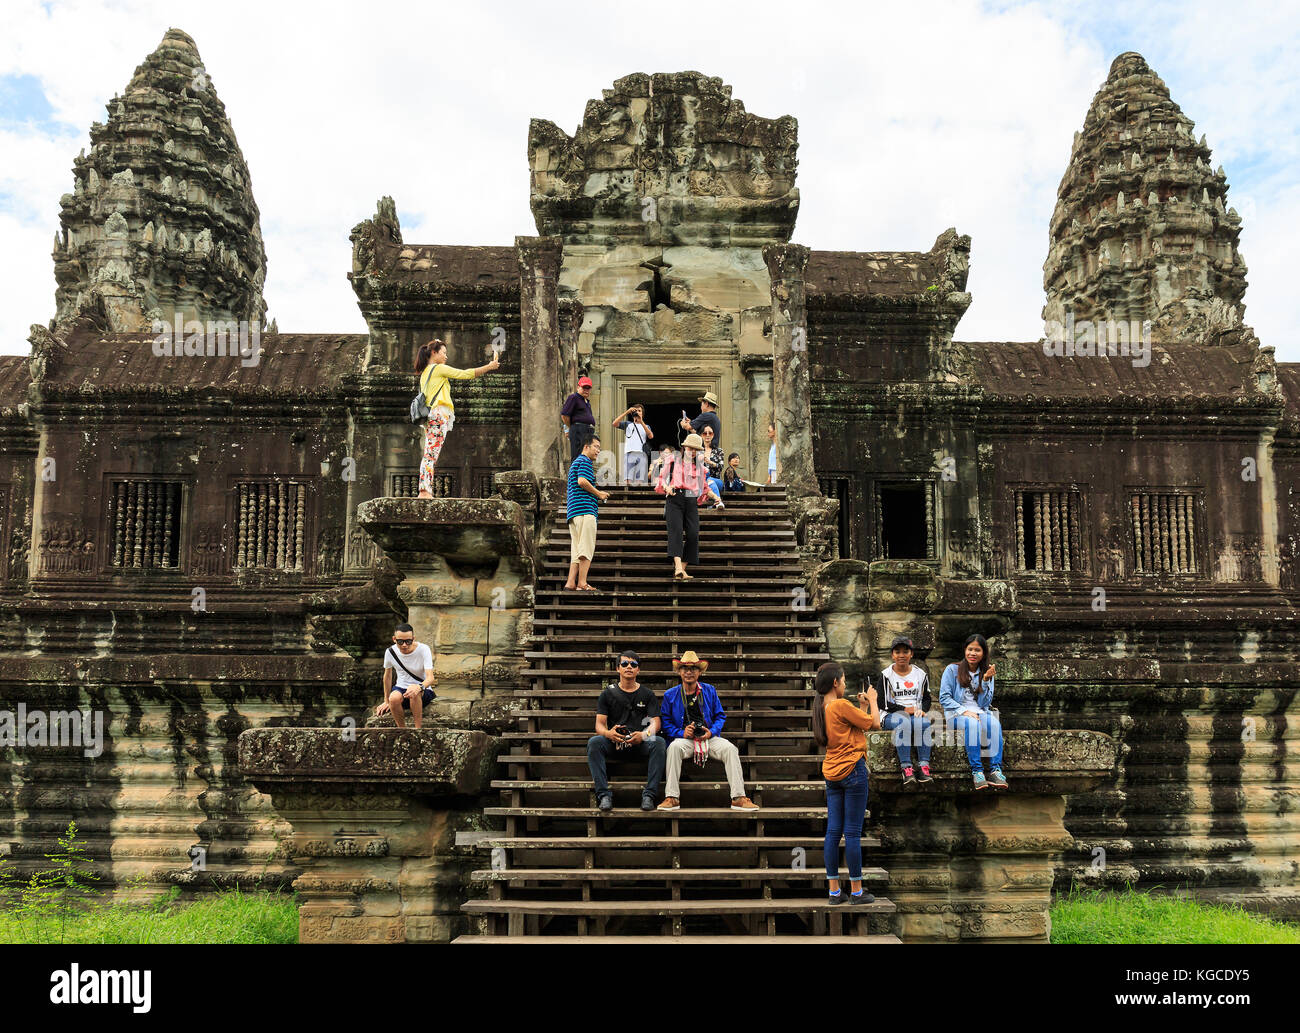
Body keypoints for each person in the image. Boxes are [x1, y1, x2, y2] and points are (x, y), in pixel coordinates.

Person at [812, 661, 880, 905]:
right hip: (853, 770)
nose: (844, 684)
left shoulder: (822, 707)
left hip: (832, 772)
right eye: (842, 680)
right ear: (835, 682)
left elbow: (852, 725)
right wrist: (872, 700)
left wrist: (861, 706)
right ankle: (857, 891)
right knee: (852, 833)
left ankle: (833, 892)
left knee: (833, 832)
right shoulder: (840, 704)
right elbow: (874, 724)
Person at [657, 651, 758, 811]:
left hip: (709, 737)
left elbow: (720, 716)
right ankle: (672, 797)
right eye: (684, 668)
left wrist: (711, 732)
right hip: (685, 739)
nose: (689, 672)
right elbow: (665, 722)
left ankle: (738, 797)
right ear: (679, 671)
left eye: (693, 668)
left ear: (700, 671)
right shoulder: (670, 695)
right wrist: (681, 733)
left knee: (731, 749)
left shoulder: (709, 690)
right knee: (674, 748)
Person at [413, 339, 500, 498]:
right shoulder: (438, 369)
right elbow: (465, 374)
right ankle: (424, 491)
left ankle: (425, 488)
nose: (446, 357)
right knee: (431, 455)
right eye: (444, 353)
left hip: (431, 416)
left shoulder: (425, 373)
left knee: (431, 453)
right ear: (434, 353)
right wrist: (489, 367)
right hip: (439, 414)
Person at [586, 650, 667, 811]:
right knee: (594, 742)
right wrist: (609, 734)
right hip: (615, 742)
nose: (629, 667)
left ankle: (649, 795)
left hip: (639, 742)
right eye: (624, 664)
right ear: (618, 669)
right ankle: (604, 795)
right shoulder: (607, 694)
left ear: (638, 669)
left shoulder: (647, 694)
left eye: (633, 664)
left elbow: (656, 723)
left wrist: (644, 735)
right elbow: (599, 725)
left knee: (659, 742)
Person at [939, 633, 1006, 790]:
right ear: (964, 650)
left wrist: (986, 680)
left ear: (983, 653)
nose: (973, 653)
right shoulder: (952, 670)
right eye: (970, 649)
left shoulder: (987, 672)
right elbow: (944, 698)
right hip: (956, 714)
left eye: (977, 650)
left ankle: (996, 770)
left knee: (995, 724)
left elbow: (984, 703)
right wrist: (964, 711)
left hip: (980, 712)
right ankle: (977, 772)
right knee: (972, 723)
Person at [876, 635, 933, 785]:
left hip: (914, 714)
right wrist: (905, 709)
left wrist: (922, 710)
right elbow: (882, 703)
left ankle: (923, 767)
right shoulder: (885, 675)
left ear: (911, 654)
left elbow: (927, 698)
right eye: (897, 652)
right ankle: (907, 769)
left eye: (905, 652)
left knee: (925, 724)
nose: (901, 655)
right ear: (892, 655)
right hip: (891, 715)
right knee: (903, 722)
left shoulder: (920, 674)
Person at [656, 432, 708, 581]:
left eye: (696, 450)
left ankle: (681, 569)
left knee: (693, 534)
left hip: (691, 498)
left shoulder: (699, 466)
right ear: (685, 447)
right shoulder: (673, 460)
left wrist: (714, 497)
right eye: (690, 448)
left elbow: (703, 486)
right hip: (675, 496)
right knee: (676, 532)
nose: (692, 452)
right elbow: (661, 479)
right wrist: (666, 488)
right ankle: (678, 567)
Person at [565, 434, 610, 591]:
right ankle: (582, 583)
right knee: (586, 548)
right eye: (596, 446)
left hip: (574, 512)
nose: (598, 450)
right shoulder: (584, 461)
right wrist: (599, 494)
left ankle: (570, 582)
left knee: (577, 549)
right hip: (585, 510)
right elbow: (582, 481)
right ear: (586, 447)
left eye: (599, 447)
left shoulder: (577, 462)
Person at [374, 623, 436, 729]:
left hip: (422, 691)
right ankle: (402, 730)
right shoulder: (390, 652)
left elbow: (430, 678)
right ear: (394, 639)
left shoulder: (423, 649)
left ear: (413, 638)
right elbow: (387, 676)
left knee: (413, 691)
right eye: (400, 642)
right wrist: (386, 700)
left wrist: (419, 687)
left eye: (408, 641)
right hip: (401, 688)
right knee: (393, 698)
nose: (404, 645)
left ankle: (418, 729)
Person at [614, 403, 653, 485]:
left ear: (642, 413)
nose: (638, 412)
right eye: (636, 411)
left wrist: (641, 421)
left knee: (639, 480)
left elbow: (651, 436)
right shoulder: (628, 424)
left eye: (640, 411)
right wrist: (627, 412)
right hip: (629, 452)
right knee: (628, 479)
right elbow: (614, 423)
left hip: (641, 453)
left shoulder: (646, 426)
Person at [561, 375, 596, 463]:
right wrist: (571, 427)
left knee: (586, 455)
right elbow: (564, 415)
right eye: (584, 387)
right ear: (578, 387)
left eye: (588, 388)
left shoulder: (587, 401)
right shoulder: (574, 397)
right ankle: (575, 476)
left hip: (587, 430)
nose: (586, 390)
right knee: (578, 455)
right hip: (578, 429)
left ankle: (583, 475)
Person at [698, 425, 726, 509]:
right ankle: (718, 502)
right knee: (708, 481)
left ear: (713, 435)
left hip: (717, 481)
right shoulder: (696, 451)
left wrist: (710, 462)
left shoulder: (719, 451)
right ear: (701, 435)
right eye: (704, 433)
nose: (707, 435)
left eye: (710, 433)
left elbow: (721, 467)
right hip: (701, 482)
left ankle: (716, 502)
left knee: (710, 480)